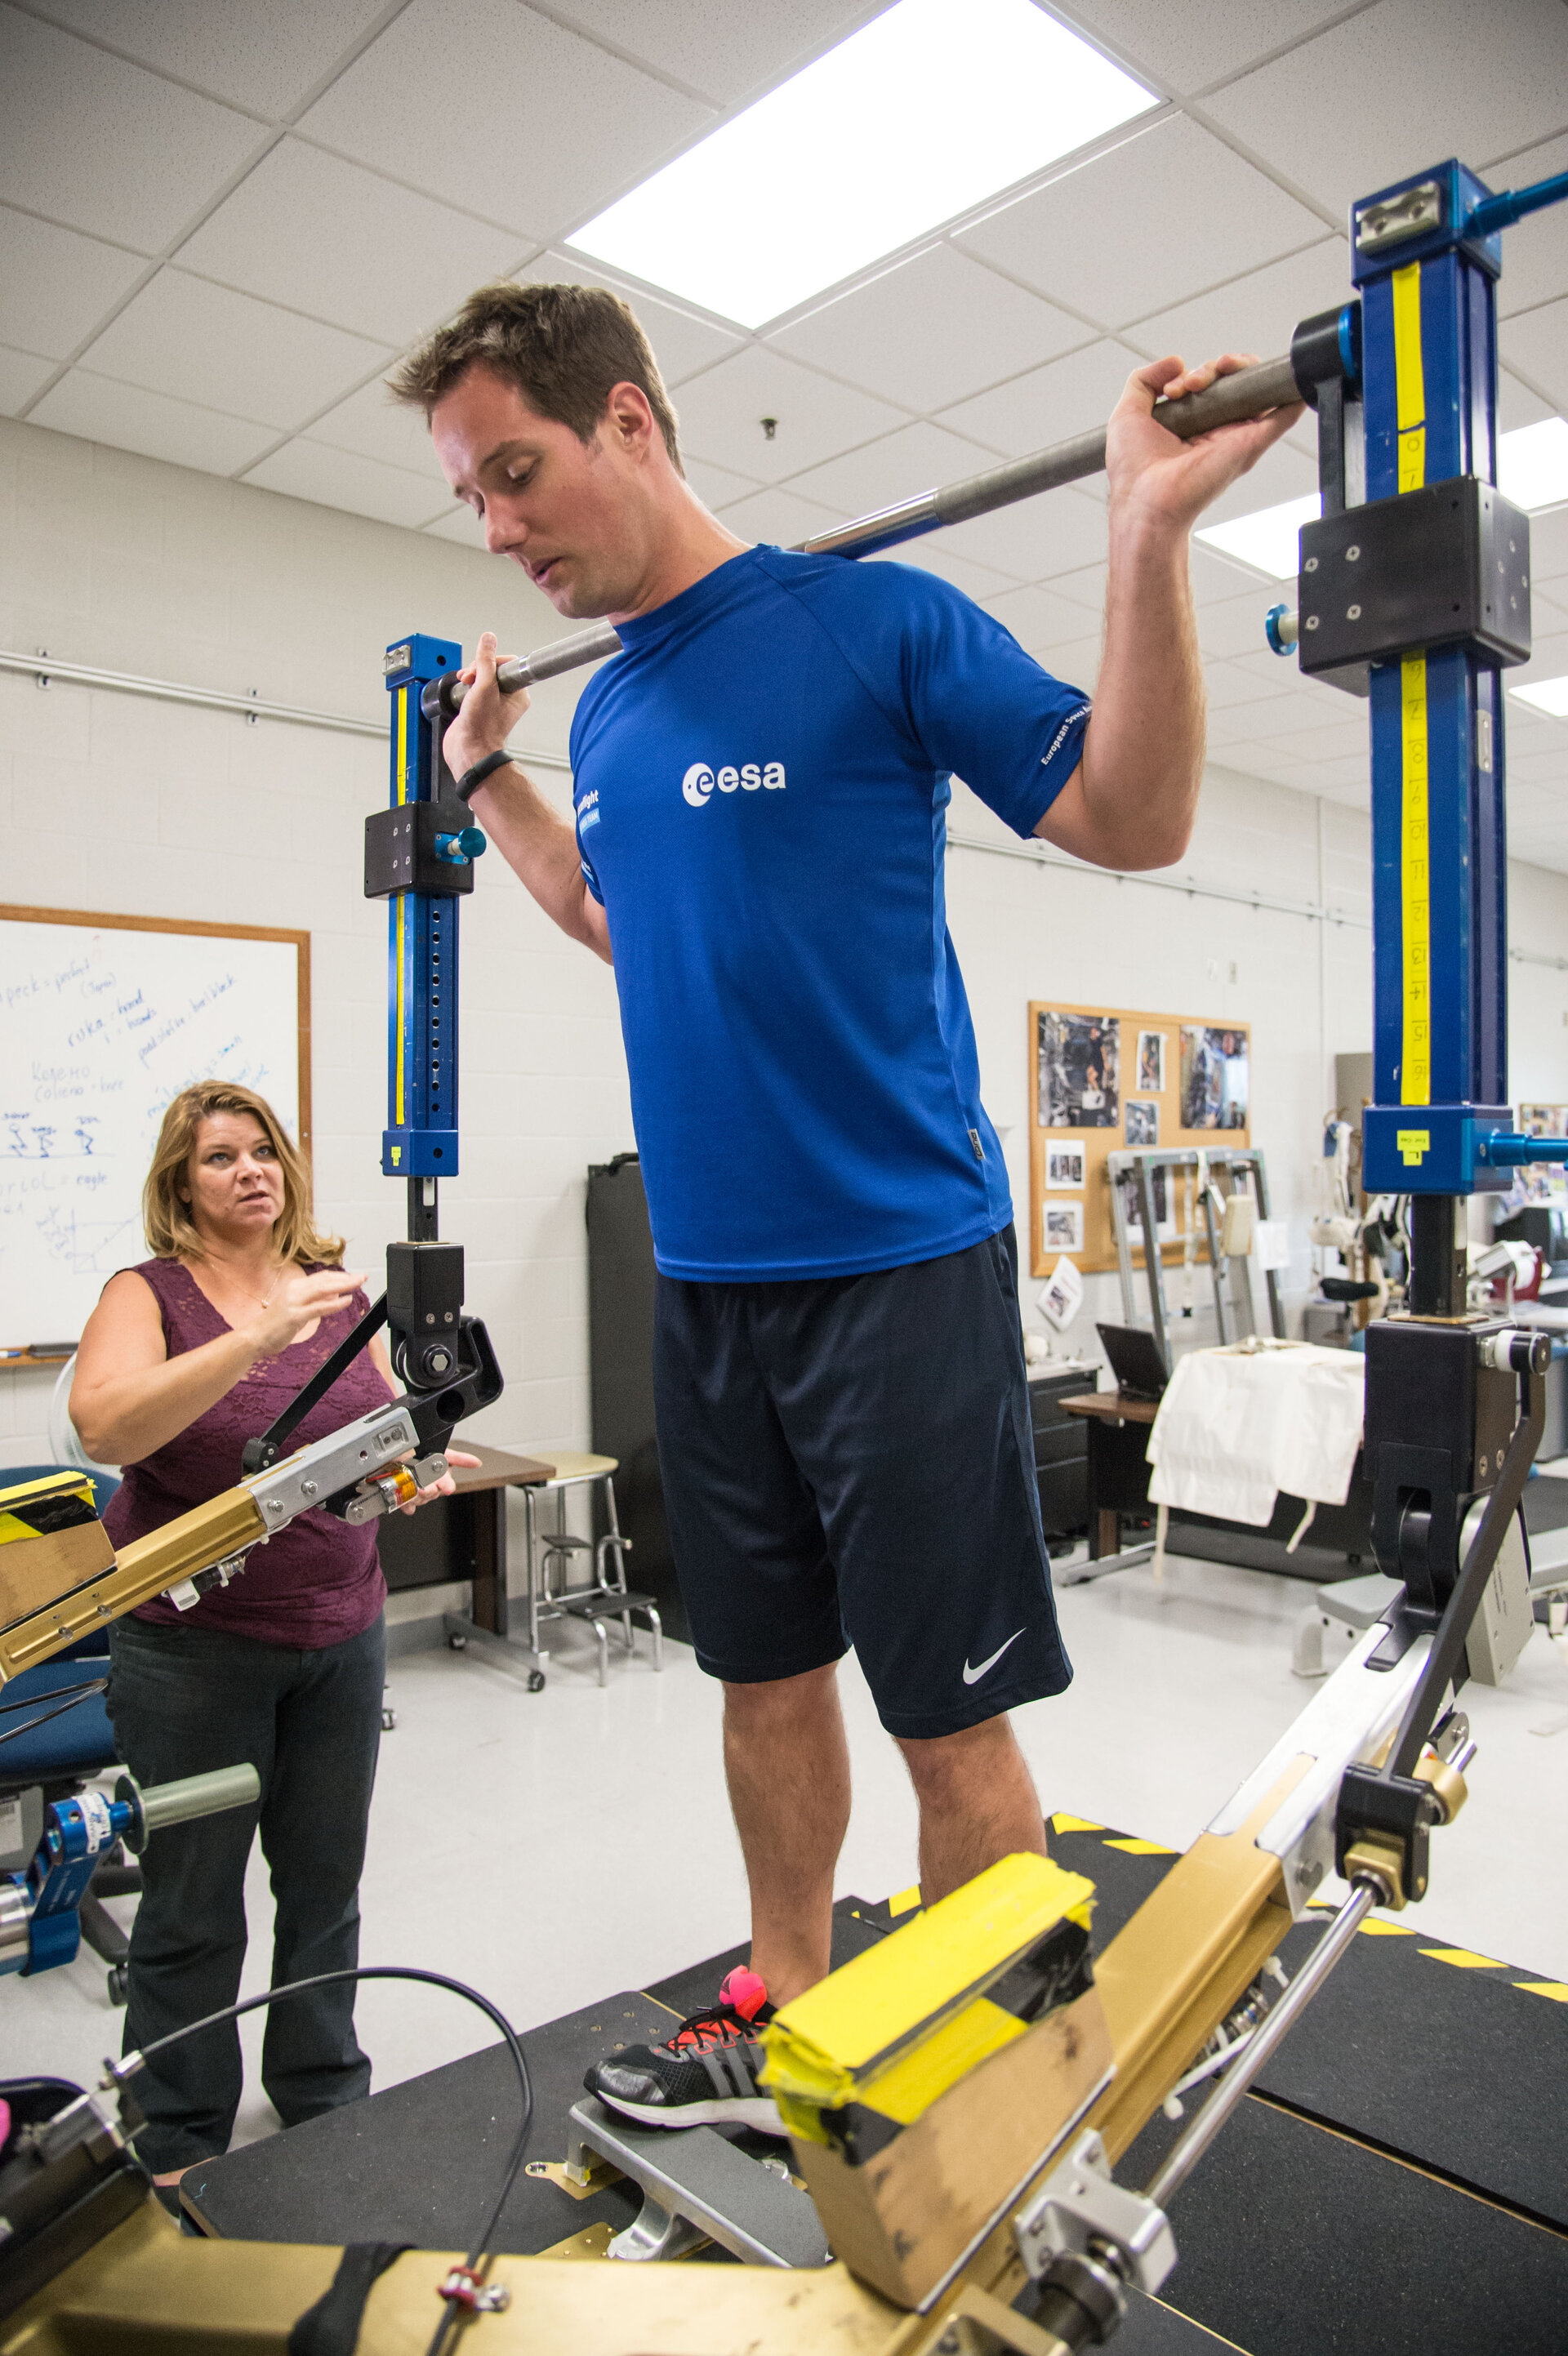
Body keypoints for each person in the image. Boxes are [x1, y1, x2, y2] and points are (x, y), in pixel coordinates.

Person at [387, 282, 1298, 2131]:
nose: (497, 527)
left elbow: (1131, 817)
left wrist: (1142, 533)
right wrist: (486, 773)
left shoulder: (871, 623)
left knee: (944, 1716)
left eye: (517, 471)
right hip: (712, 1295)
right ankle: (784, 1999)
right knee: (760, 1679)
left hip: (898, 1273)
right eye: (469, 498)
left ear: (630, 424)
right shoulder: (620, 716)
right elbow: (614, 918)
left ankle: (993, 2079)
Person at [71, 1081, 472, 2186]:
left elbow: (373, 1442)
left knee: (324, 1883)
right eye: (220, 1157)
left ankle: (321, 2090)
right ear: (180, 1184)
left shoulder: (331, 1293)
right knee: (194, 1898)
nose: (251, 1170)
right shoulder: (151, 1292)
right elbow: (105, 1423)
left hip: (340, 1634)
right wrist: (252, 1339)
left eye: (264, 1152)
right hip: (191, 1652)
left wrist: (413, 1476)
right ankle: (177, 2128)